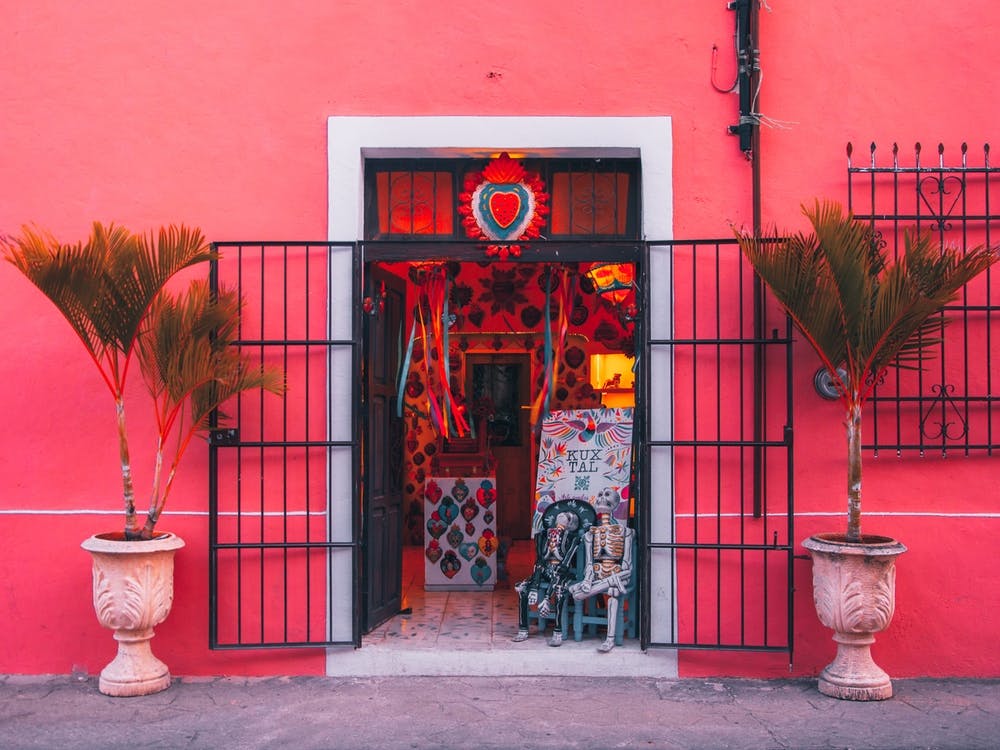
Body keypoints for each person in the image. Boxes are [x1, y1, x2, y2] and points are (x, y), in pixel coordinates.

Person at [569, 486, 634, 652]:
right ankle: (597, 586)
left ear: (616, 503)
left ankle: (610, 639)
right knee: (606, 586)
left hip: (618, 575)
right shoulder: (591, 534)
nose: (602, 499)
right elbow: (590, 563)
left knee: (612, 590)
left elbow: (627, 565)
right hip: (598, 573)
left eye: (607, 496)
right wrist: (588, 579)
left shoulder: (626, 532)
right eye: (600, 495)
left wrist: (615, 576)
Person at [512, 511, 581, 647]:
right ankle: (523, 629)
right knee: (522, 589)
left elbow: (565, 564)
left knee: (560, 592)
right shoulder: (545, 535)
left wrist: (547, 597)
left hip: (563, 572)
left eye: (567, 516)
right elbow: (540, 560)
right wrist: (533, 586)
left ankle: (557, 632)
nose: (562, 517)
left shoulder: (573, 538)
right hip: (545, 569)